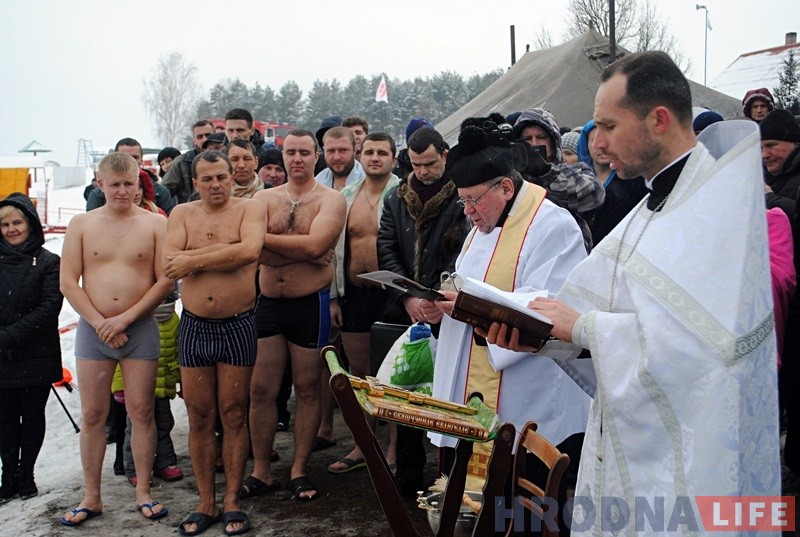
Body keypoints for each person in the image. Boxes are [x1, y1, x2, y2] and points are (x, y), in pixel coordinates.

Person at [484, 51, 781, 533]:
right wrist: (539, 333)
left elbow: (701, 349)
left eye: (608, 125)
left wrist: (582, 327)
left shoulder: (714, 210)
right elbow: (606, 310)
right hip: (634, 445)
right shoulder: (656, 201)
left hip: (690, 463)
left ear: (658, 119)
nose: (596, 142)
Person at [428, 125, 590, 500]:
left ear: (504, 187)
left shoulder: (553, 225)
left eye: (473, 200)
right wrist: (444, 305)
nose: (468, 212)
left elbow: (548, 308)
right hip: (478, 384)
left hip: (529, 393)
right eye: (462, 201)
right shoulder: (480, 229)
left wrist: (473, 306)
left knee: (523, 505)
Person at [59, 152, 174, 526]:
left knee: (141, 411)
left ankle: (144, 491)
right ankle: (91, 496)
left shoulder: (155, 224)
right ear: (100, 184)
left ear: (139, 184)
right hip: (94, 331)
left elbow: (165, 280)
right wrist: (99, 322)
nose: (123, 191)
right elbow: (68, 282)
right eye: (115, 185)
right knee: (93, 414)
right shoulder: (81, 224)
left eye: (129, 184)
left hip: (138, 328)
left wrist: (125, 318)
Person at [163, 150, 265, 536]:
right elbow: (170, 262)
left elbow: (250, 251)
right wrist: (226, 253)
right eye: (207, 179)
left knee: (234, 413)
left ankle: (232, 499)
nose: (216, 184)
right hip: (195, 325)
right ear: (195, 183)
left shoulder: (248, 209)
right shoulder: (181, 214)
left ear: (232, 177)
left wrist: (194, 260)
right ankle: (206, 501)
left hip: (238, 324)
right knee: (200, 416)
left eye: (222, 176)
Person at [244, 129, 345, 502]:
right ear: (281, 156)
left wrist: (267, 243)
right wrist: (302, 250)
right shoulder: (263, 198)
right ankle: (261, 471)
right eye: (291, 152)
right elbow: (251, 249)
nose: (297, 158)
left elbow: (318, 245)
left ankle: (299, 469)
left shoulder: (331, 199)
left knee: (306, 387)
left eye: (304, 152)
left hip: (309, 304)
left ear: (316, 156)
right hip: (269, 303)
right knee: (261, 389)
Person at [377, 126, 471, 494]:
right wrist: (408, 298)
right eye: (416, 164)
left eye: (430, 163)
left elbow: (465, 252)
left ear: (444, 155)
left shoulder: (462, 195)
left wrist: (441, 299)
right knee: (408, 395)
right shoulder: (396, 198)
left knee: (451, 394)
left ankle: (451, 475)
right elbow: (387, 249)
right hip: (408, 311)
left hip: (449, 309)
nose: (423, 171)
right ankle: (409, 472)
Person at [325, 132, 401, 474]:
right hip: (354, 294)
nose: (375, 157)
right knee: (359, 373)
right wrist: (334, 297)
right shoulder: (345, 197)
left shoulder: (402, 193)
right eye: (369, 152)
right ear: (360, 156)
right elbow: (334, 252)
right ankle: (363, 444)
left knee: (394, 373)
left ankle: (395, 447)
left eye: (382, 152)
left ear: (393, 159)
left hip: (392, 296)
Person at [111, 170, 183, 486]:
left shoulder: (159, 221)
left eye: (137, 186)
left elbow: (170, 271)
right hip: (127, 321)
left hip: (162, 367)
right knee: (136, 418)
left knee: (162, 418)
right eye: (123, 184)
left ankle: (164, 461)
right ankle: (133, 467)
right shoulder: (109, 225)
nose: (132, 191)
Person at [0, 193, 63, 503]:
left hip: (36, 352)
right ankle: (8, 475)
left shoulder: (49, 262)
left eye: (17, 222)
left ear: (30, 225)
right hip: (2, 355)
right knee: (5, 418)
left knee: (32, 415)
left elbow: (50, 307)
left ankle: (27, 473)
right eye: (4, 225)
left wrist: (10, 335)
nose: (11, 229)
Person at [513, 108, 604, 251]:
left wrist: (545, 172)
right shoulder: (514, 180)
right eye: (527, 139)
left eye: (541, 137)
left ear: (553, 140)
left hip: (571, 252)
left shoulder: (576, 170)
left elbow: (595, 195)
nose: (534, 144)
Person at [577, 119, 648, 244]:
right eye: (593, 140)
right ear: (585, 145)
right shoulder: (577, 182)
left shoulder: (635, 180)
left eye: (608, 139)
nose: (601, 146)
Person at [87, 138, 176, 214]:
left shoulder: (161, 192)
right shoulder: (98, 195)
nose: (130, 161)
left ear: (141, 159)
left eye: (135, 157)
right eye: (125, 157)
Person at [163, 120, 216, 204]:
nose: (204, 140)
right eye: (200, 137)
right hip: (192, 210)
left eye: (208, 135)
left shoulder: (227, 158)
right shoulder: (181, 163)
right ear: (194, 140)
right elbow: (164, 192)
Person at [314, 127, 365, 191]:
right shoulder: (317, 183)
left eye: (343, 150)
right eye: (331, 151)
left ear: (354, 150)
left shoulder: (368, 181)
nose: (336, 157)